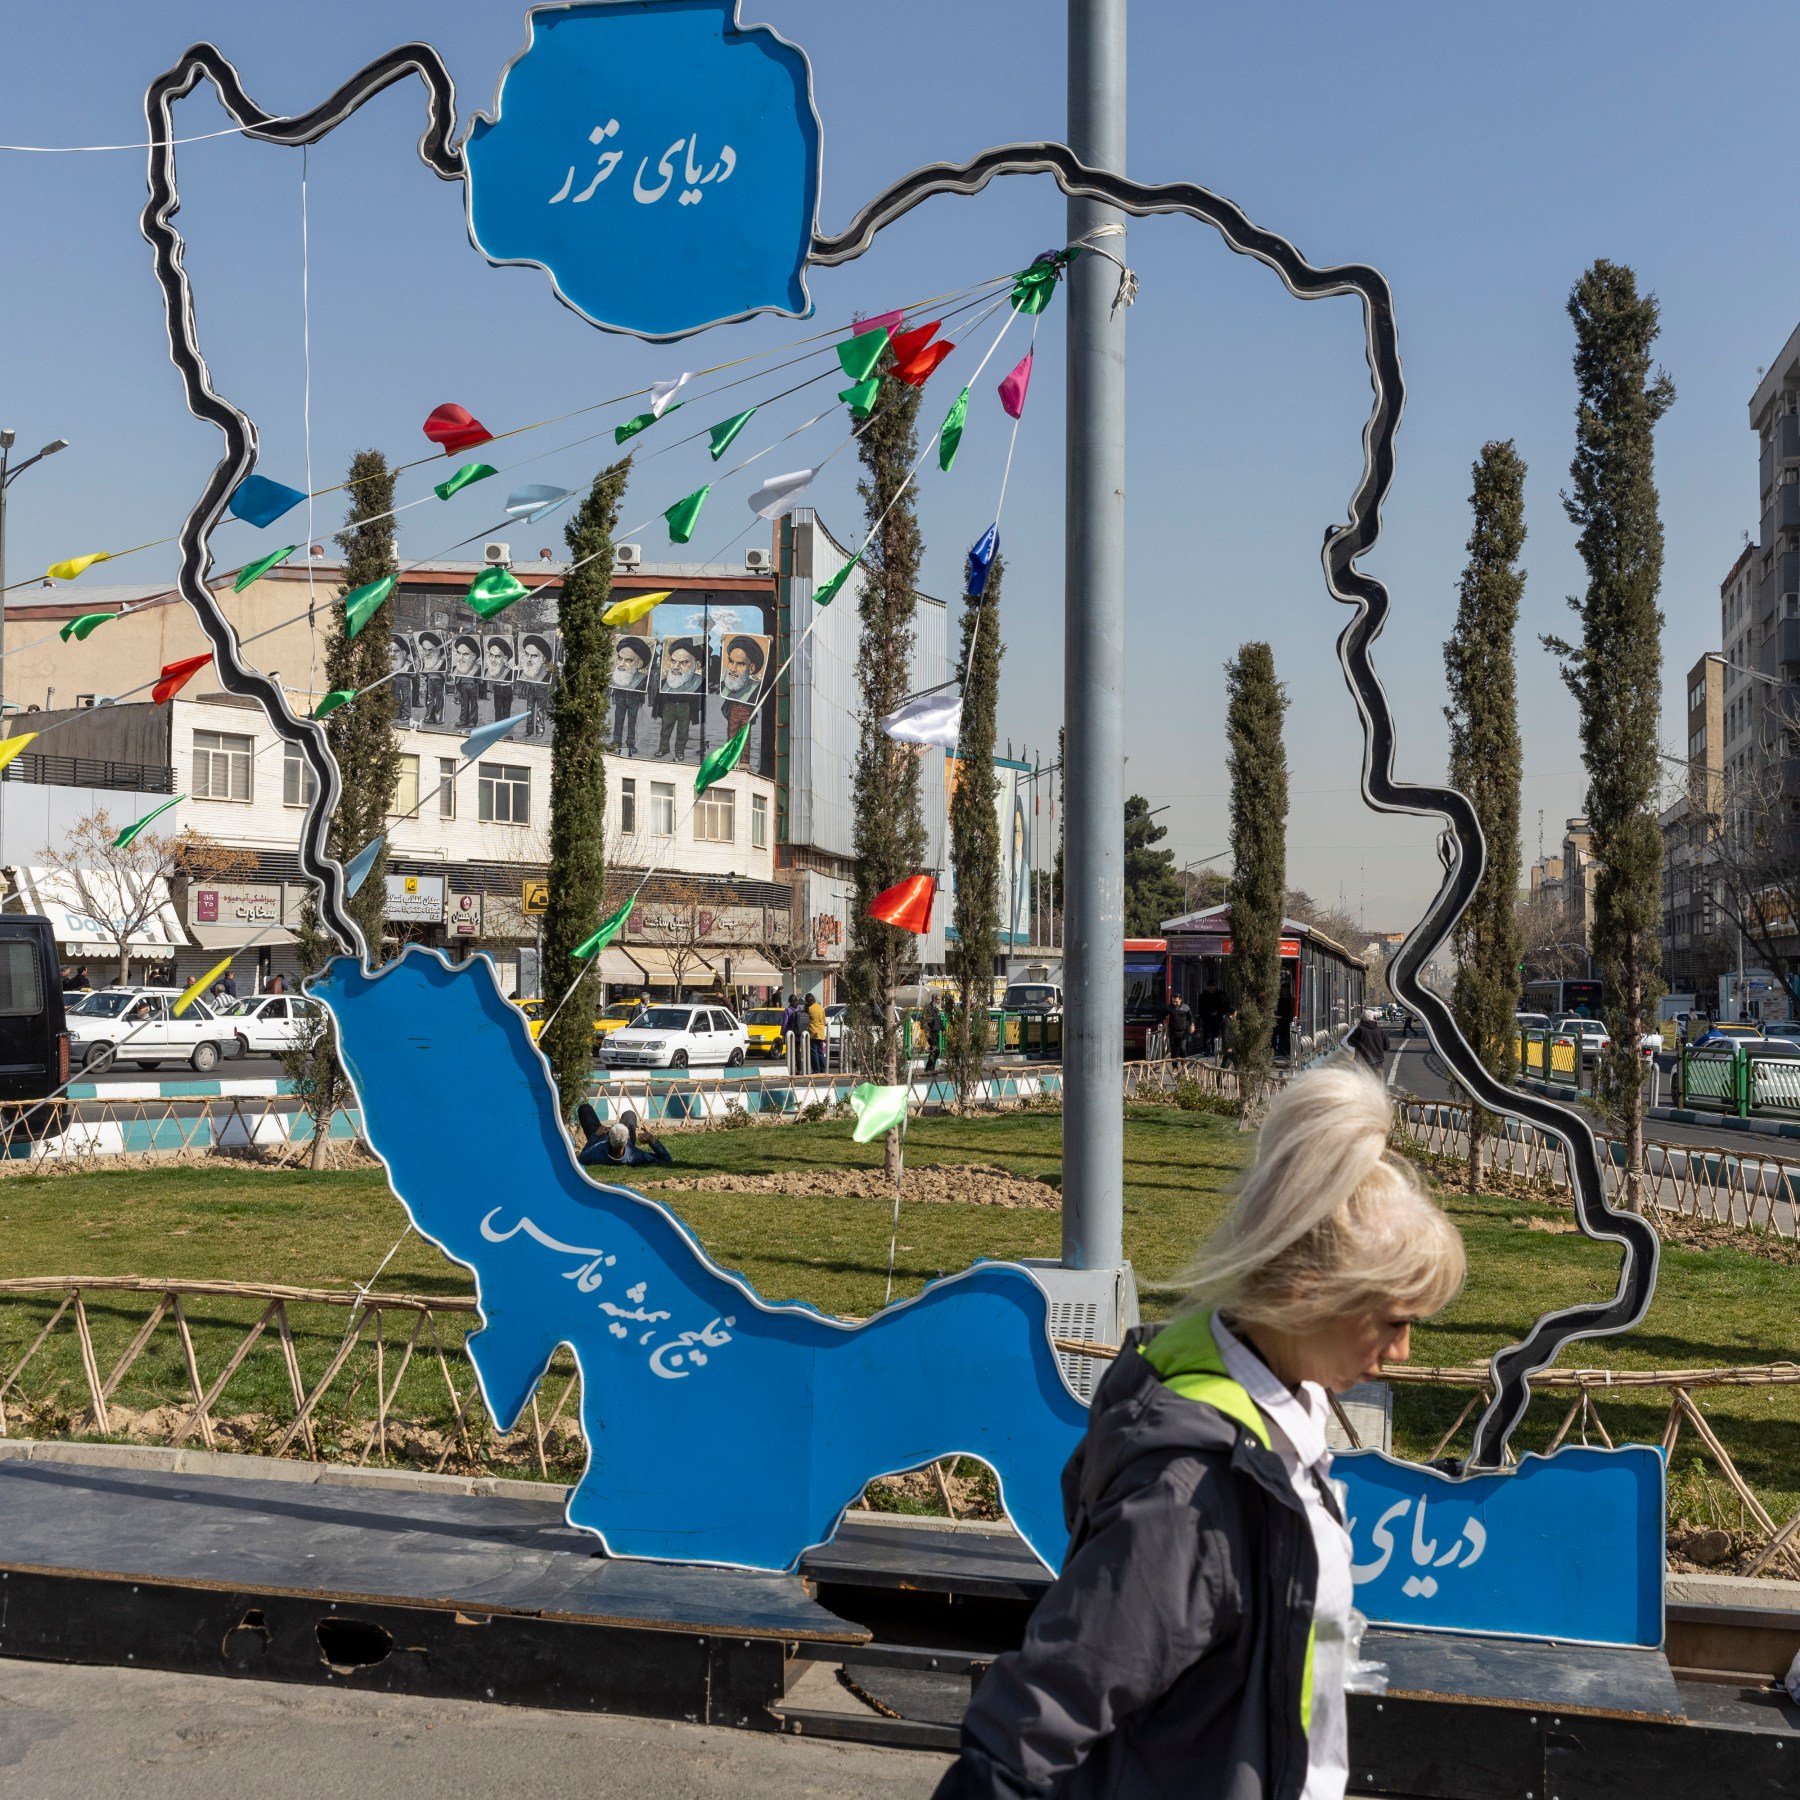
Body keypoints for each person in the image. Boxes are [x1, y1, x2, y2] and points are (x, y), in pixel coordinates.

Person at [933, 1062, 1466, 1800]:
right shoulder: (1195, 1492)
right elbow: (1037, 1722)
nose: (1403, 1351)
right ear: (1309, 1295)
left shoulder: (1263, 1419)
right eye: (1394, 1320)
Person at [574, 1102, 673, 1170]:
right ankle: (620, 1129)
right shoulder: (635, 1155)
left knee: (585, 1108)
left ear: (608, 1138)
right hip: (620, 1143)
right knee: (630, 1114)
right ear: (629, 1139)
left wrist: (596, 1135)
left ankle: (616, 1130)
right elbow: (666, 1159)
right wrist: (652, 1141)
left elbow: (581, 1159)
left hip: (598, 1139)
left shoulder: (596, 1152)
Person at [1345, 1006, 1388, 1075]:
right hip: (1378, 1062)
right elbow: (1387, 1046)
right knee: (1377, 1080)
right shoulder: (1380, 1030)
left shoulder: (1360, 1030)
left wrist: (1359, 1045)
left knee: (1363, 1080)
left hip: (1363, 1061)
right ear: (1372, 1018)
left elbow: (1350, 1041)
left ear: (1362, 1019)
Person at [805, 992, 827, 1073]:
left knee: (813, 1051)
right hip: (820, 1032)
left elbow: (805, 1018)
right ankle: (822, 1069)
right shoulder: (821, 1008)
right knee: (820, 1051)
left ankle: (816, 1069)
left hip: (812, 1032)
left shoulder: (808, 1008)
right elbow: (824, 1021)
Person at [921, 990, 942, 1073]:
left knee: (934, 1051)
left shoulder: (936, 1009)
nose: (939, 1001)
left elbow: (938, 1021)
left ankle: (930, 1069)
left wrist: (943, 1028)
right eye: (937, 999)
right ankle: (928, 1068)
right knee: (936, 1050)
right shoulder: (928, 1008)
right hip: (931, 1033)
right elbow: (924, 1021)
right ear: (933, 999)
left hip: (936, 1033)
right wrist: (927, 1032)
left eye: (939, 999)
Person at [1167, 993, 1193, 1060]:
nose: (1174, 1003)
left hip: (1182, 1032)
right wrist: (1164, 1022)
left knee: (1182, 1049)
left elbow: (1190, 1017)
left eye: (1176, 1001)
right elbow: (1163, 1014)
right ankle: (1174, 1065)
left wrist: (1192, 1025)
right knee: (1173, 1050)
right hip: (1172, 1032)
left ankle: (1184, 1063)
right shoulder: (1169, 1007)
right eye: (1173, 1001)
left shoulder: (1185, 1007)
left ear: (1180, 1000)